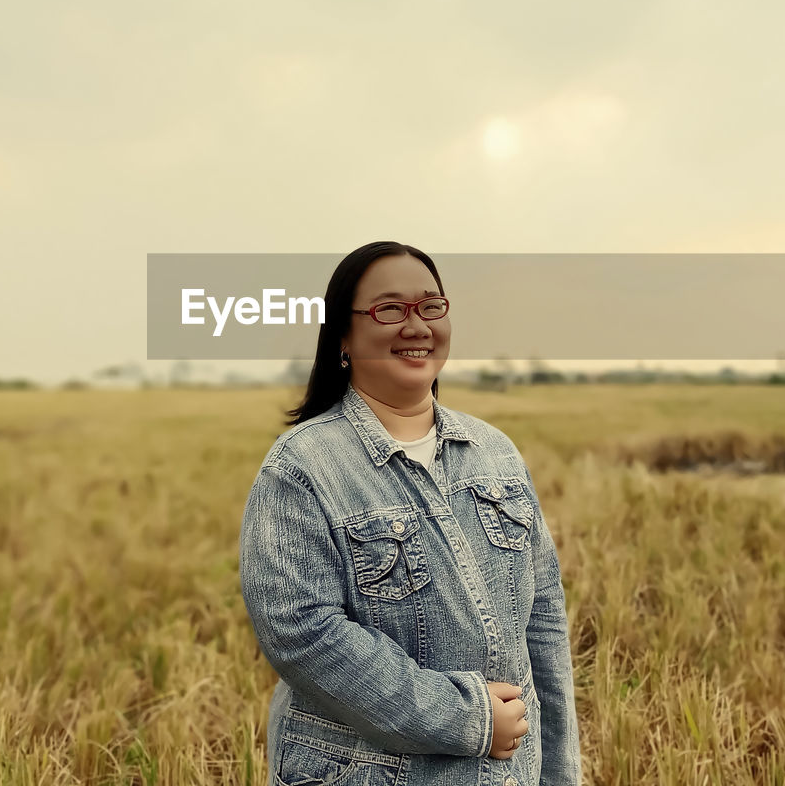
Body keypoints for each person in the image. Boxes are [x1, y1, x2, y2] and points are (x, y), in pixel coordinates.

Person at [240, 241, 582, 786]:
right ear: (344, 338)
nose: (416, 325)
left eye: (430, 307)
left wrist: (561, 775)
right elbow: (302, 633)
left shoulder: (496, 453)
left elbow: (541, 627)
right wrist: (468, 719)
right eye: (389, 309)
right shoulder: (303, 468)